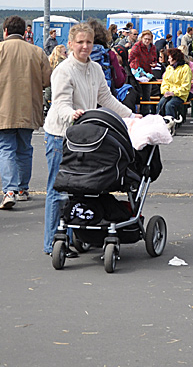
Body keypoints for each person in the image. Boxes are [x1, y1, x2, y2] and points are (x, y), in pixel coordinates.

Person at [42, 23, 133, 255]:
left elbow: (107, 99)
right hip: (61, 135)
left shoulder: (95, 69)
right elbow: (60, 102)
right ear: (70, 44)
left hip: (85, 136)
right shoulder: (63, 70)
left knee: (81, 188)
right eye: (80, 42)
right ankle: (53, 242)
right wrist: (71, 114)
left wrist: (132, 116)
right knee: (59, 189)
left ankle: (75, 237)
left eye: (89, 42)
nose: (85, 46)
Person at [0, 16, 52, 210]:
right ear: (25, 32)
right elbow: (47, 80)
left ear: (5, 31)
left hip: (1, 108)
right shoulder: (37, 52)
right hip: (28, 108)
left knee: (5, 149)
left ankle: (9, 190)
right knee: (25, 149)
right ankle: (23, 189)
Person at [157, 48, 192, 119]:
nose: (168, 60)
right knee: (161, 104)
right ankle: (160, 122)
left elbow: (186, 85)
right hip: (169, 93)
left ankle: (171, 124)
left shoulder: (185, 68)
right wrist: (165, 91)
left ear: (175, 58)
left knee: (169, 105)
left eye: (170, 58)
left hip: (181, 95)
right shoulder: (169, 68)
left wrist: (173, 93)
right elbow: (165, 82)